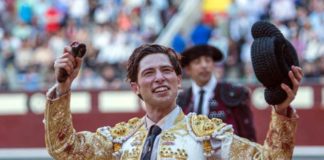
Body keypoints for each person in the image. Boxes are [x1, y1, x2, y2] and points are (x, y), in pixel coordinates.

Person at [44, 43, 303, 159]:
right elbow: (64, 148)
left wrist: (280, 110)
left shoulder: (209, 136)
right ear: (135, 87)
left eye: (167, 71)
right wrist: (63, 87)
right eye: (149, 73)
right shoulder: (120, 139)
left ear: (179, 81)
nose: (160, 78)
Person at [177, 44, 256, 141]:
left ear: (213, 65)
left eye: (208, 60)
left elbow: (248, 135)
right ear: (188, 69)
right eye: (197, 62)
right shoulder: (182, 99)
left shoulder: (233, 93)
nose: (204, 65)